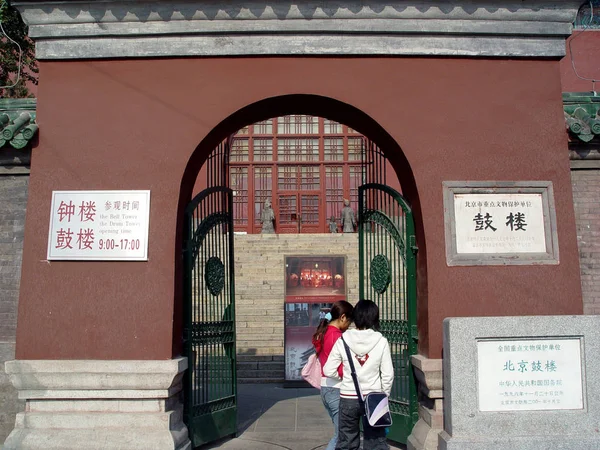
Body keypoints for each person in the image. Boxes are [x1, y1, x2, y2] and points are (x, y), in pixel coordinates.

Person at [323, 300, 393, 450]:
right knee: (375, 442)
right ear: (374, 317)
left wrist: (344, 378)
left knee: (347, 441)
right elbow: (388, 374)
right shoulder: (381, 341)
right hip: (374, 397)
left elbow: (328, 370)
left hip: (348, 397)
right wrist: (384, 395)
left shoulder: (343, 340)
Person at [312, 300, 354, 450]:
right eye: (349, 321)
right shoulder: (337, 337)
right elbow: (341, 366)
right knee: (341, 435)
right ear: (343, 317)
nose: (349, 325)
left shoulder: (324, 332)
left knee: (340, 433)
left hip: (326, 388)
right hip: (336, 388)